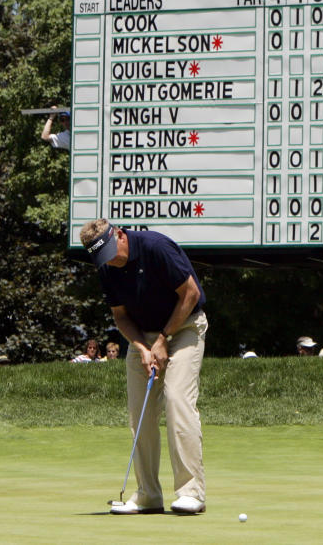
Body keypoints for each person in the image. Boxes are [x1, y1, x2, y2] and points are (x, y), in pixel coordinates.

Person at [80, 218, 208, 515]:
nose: (110, 260)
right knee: (140, 411)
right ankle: (148, 494)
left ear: (120, 235)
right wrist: (141, 347)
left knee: (178, 399)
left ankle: (192, 492)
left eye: (111, 251)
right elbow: (121, 316)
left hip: (185, 326)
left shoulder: (156, 247)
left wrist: (163, 339)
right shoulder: (107, 268)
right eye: (103, 257)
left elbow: (191, 295)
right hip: (144, 335)